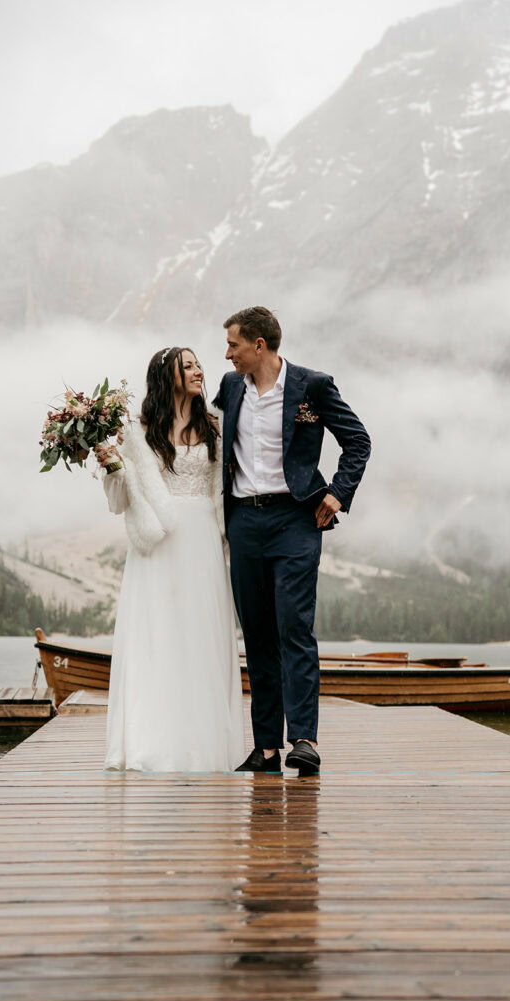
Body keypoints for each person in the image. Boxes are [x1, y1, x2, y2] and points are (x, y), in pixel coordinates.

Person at [213, 306, 371, 775]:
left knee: (294, 628)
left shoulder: (312, 386)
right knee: (258, 636)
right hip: (242, 522)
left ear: (259, 345)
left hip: (295, 521)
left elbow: (358, 441)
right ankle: (265, 749)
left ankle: (304, 740)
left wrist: (339, 494)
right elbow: (203, 436)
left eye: (234, 345)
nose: (227, 354)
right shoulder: (228, 388)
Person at [95, 346, 245, 772]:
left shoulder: (214, 426)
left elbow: (223, 491)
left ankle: (204, 744)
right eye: (189, 365)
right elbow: (120, 501)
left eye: (200, 365)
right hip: (158, 545)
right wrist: (110, 467)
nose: (200, 371)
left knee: (202, 635)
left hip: (203, 541)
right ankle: (153, 741)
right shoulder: (138, 432)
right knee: (158, 634)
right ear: (168, 375)